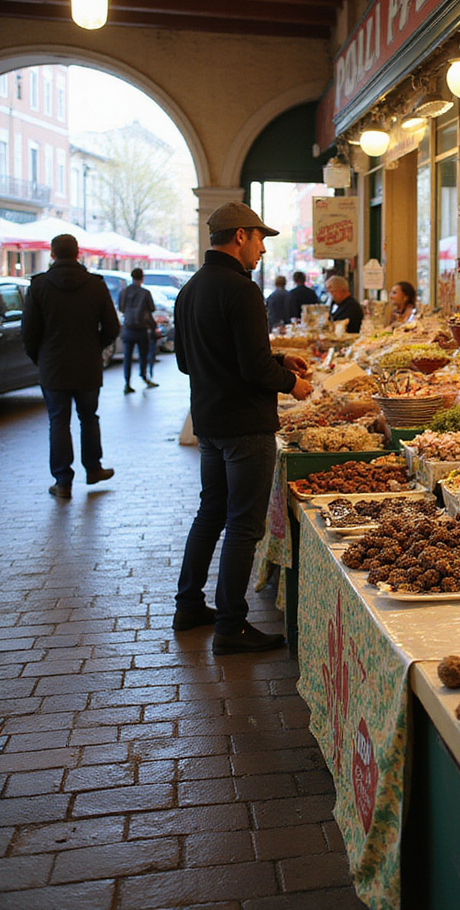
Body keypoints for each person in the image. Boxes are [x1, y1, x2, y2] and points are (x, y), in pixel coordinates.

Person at [173, 201, 314, 654]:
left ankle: (189, 605)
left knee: (210, 512)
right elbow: (251, 368)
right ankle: (230, 626)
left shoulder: (190, 289)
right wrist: (291, 381)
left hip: (209, 423)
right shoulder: (242, 289)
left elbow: (186, 361)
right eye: (260, 239)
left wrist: (275, 359)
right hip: (245, 428)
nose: (262, 250)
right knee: (243, 525)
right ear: (240, 236)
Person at [21, 233, 121, 499]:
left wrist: (40, 358)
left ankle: (63, 481)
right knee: (89, 418)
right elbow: (112, 327)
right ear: (78, 254)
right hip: (88, 365)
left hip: (53, 367)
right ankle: (93, 468)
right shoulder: (95, 285)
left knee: (58, 421)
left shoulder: (39, 286)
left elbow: (29, 331)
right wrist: (95, 346)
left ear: (52, 255)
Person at [119, 267, 159, 392]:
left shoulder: (124, 292)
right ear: (142, 278)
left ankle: (127, 383)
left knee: (127, 357)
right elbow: (151, 309)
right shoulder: (145, 293)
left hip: (128, 329)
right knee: (143, 355)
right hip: (142, 329)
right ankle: (144, 377)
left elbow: (121, 308)